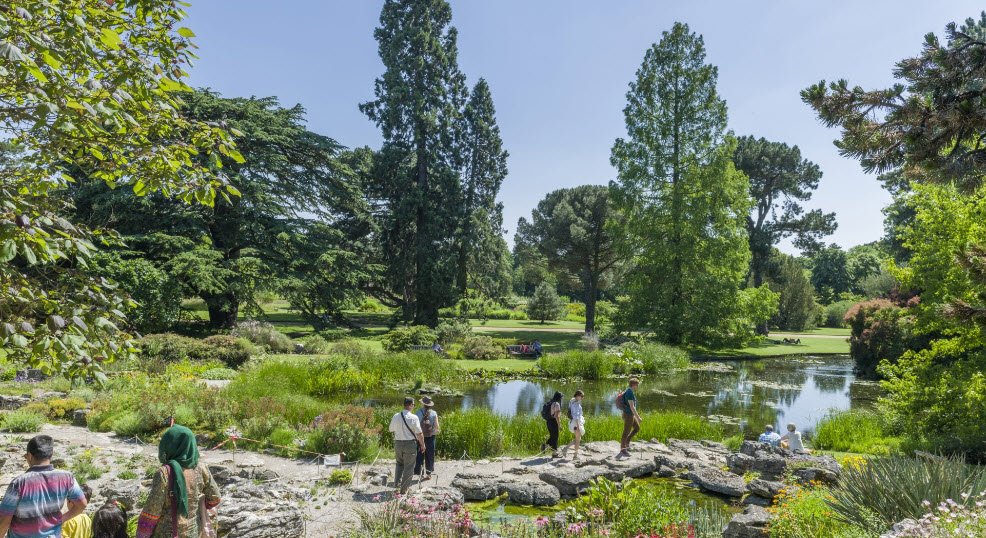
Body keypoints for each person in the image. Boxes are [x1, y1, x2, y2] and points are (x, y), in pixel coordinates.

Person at [136, 425, 221, 538]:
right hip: (194, 532)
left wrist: (141, 535)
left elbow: (152, 511)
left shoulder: (164, 473)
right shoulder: (201, 468)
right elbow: (215, 498)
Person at [0, 435, 87, 538]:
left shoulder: (19, 483)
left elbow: (4, 522)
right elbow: (82, 504)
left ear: (30, 456)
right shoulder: (67, 477)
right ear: (51, 454)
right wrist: (61, 520)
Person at [388, 397, 425, 494]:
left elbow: (391, 429)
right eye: (414, 405)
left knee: (399, 464)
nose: (414, 406)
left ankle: (397, 485)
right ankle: (404, 490)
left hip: (398, 443)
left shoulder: (396, 416)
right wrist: (422, 445)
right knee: (409, 467)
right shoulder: (414, 417)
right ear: (411, 405)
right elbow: (419, 433)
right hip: (410, 444)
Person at [414, 396, 440, 480]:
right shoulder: (434, 413)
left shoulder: (418, 412)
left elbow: (415, 427)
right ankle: (429, 474)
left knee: (419, 455)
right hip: (430, 437)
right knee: (430, 455)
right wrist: (433, 433)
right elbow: (437, 427)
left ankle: (420, 474)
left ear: (422, 403)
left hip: (420, 437)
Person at [618, 378, 642, 458]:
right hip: (628, 415)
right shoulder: (629, 393)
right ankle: (623, 448)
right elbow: (632, 407)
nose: (637, 386)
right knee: (626, 431)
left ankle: (627, 441)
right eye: (637, 385)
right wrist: (638, 417)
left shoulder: (628, 390)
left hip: (630, 414)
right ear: (634, 385)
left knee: (637, 428)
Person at [560, 390, 585, 461]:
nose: (582, 397)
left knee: (578, 439)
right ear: (577, 396)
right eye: (581, 396)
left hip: (573, 422)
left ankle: (566, 449)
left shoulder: (572, 401)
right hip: (576, 423)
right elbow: (576, 416)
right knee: (578, 440)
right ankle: (575, 456)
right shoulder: (576, 404)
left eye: (583, 396)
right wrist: (578, 426)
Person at [539, 392, 563, 458]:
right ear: (559, 397)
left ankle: (545, 445)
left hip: (548, 422)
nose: (562, 398)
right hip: (554, 422)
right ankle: (554, 454)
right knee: (555, 438)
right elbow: (557, 416)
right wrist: (559, 425)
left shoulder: (550, 402)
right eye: (561, 397)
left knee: (552, 436)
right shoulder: (557, 404)